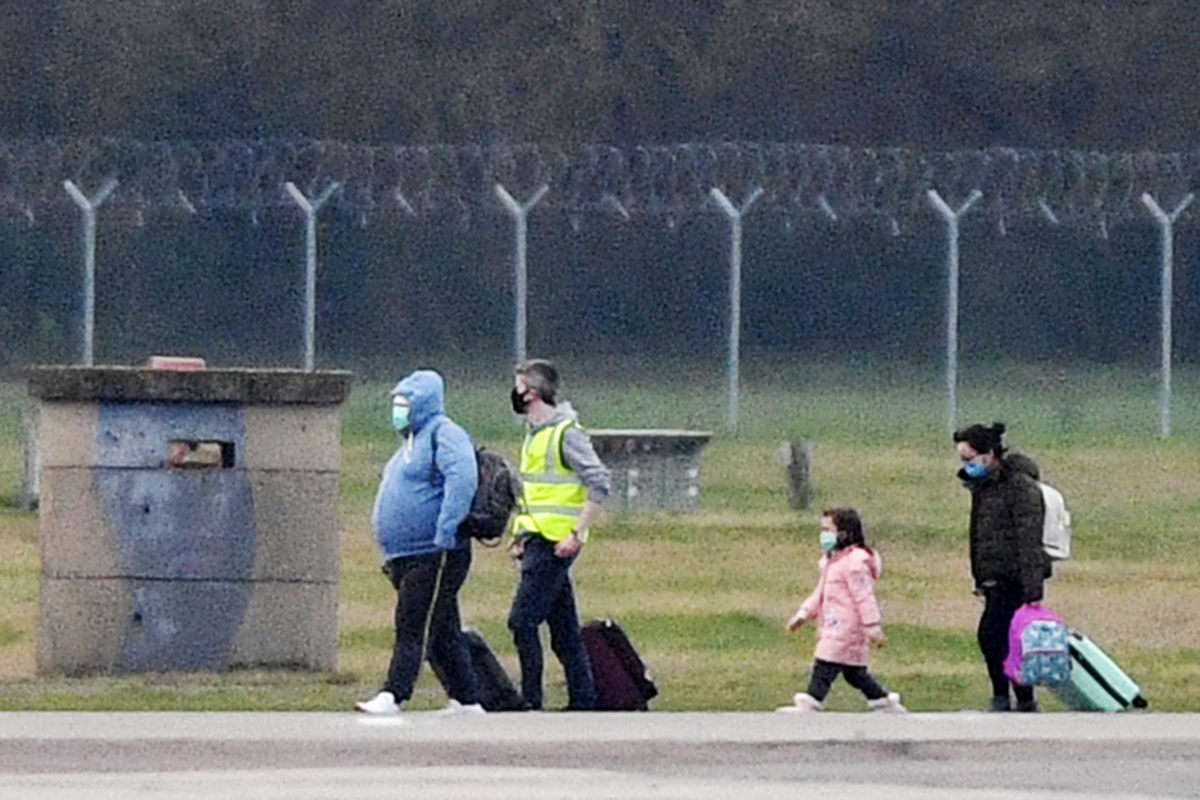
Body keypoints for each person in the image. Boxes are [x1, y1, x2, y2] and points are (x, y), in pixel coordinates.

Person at [355, 369, 484, 716]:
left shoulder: (445, 434)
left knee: (413, 623)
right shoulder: (409, 445)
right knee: (443, 628)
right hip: (405, 554)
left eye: (404, 405)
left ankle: (394, 693)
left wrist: (445, 530)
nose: (398, 412)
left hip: (435, 551)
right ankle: (467, 699)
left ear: (422, 405)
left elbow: (462, 478)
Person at [507, 359, 611, 711]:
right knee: (564, 629)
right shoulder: (534, 435)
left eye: (518, 385)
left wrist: (577, 532)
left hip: (557, 543)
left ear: (532, 392)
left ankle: (530, 701)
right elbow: (534, 492)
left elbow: (599, 481)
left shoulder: (565, 433)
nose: (515, 392)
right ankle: (584, 700)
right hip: (537, 538)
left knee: (522, 621)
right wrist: (520, 533)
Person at [953, 421, 1049, 713]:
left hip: (1014, 577)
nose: (967, 466)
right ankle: (1019, 697)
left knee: (995, 634)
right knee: (1004, 637)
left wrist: (1033, 587)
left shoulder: (1019, 487)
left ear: (989, 454)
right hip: (993, 575)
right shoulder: (984, 487)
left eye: (970, 459)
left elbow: (1029, 538)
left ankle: (1008, 695)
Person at [778, 507, 906, 713]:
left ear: (845, 532)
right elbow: (819, 593)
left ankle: (811, 701)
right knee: (853, 671)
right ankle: (882, 701)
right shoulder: (833, 562)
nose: (823, 536)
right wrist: (803, 614)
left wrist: (872, 626)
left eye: (828, 529)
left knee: (825, 661)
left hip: (848, 627)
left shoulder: (855, 562)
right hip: (833, 623)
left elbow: (864, 596)